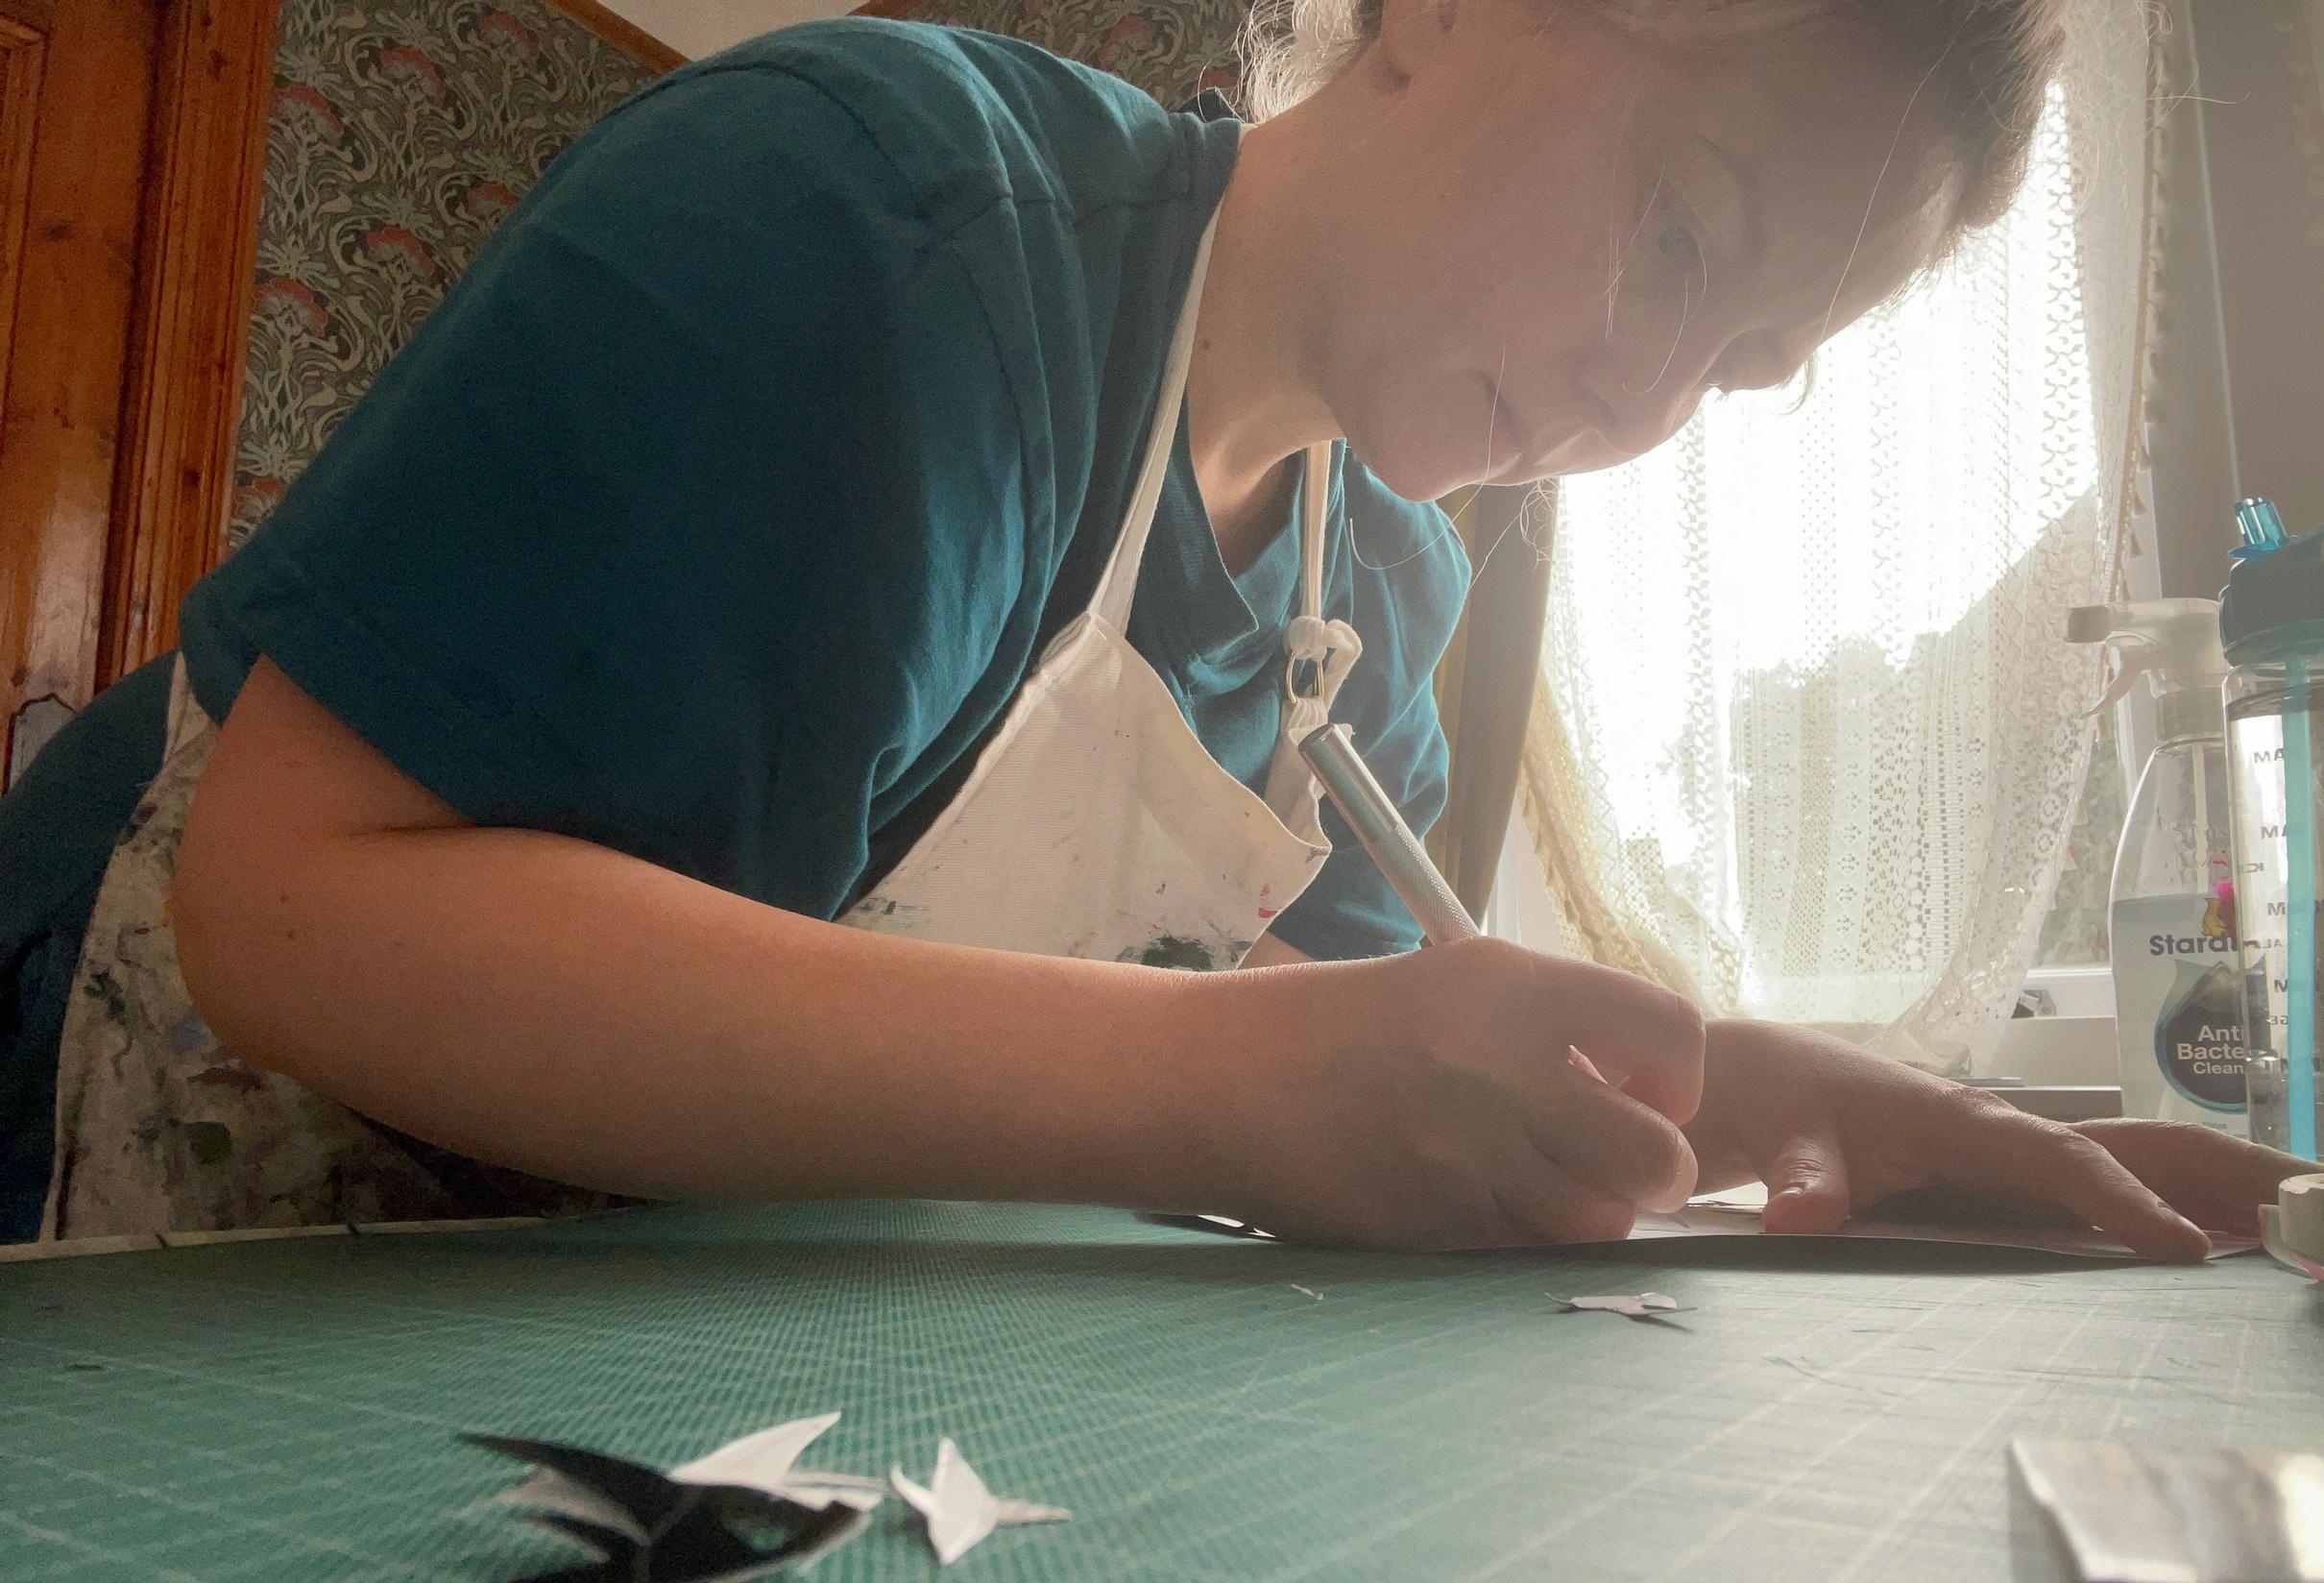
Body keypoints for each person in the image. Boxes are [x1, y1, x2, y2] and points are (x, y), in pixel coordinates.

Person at [0, 0, 2291, 1250]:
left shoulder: (1371, 586)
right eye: (1681, 243)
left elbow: (1293, 1018)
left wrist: (1810, 1100)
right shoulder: (873, 227)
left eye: (1744, 364)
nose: (1644, 397)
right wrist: (1238, 1091)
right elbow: (291, 913)